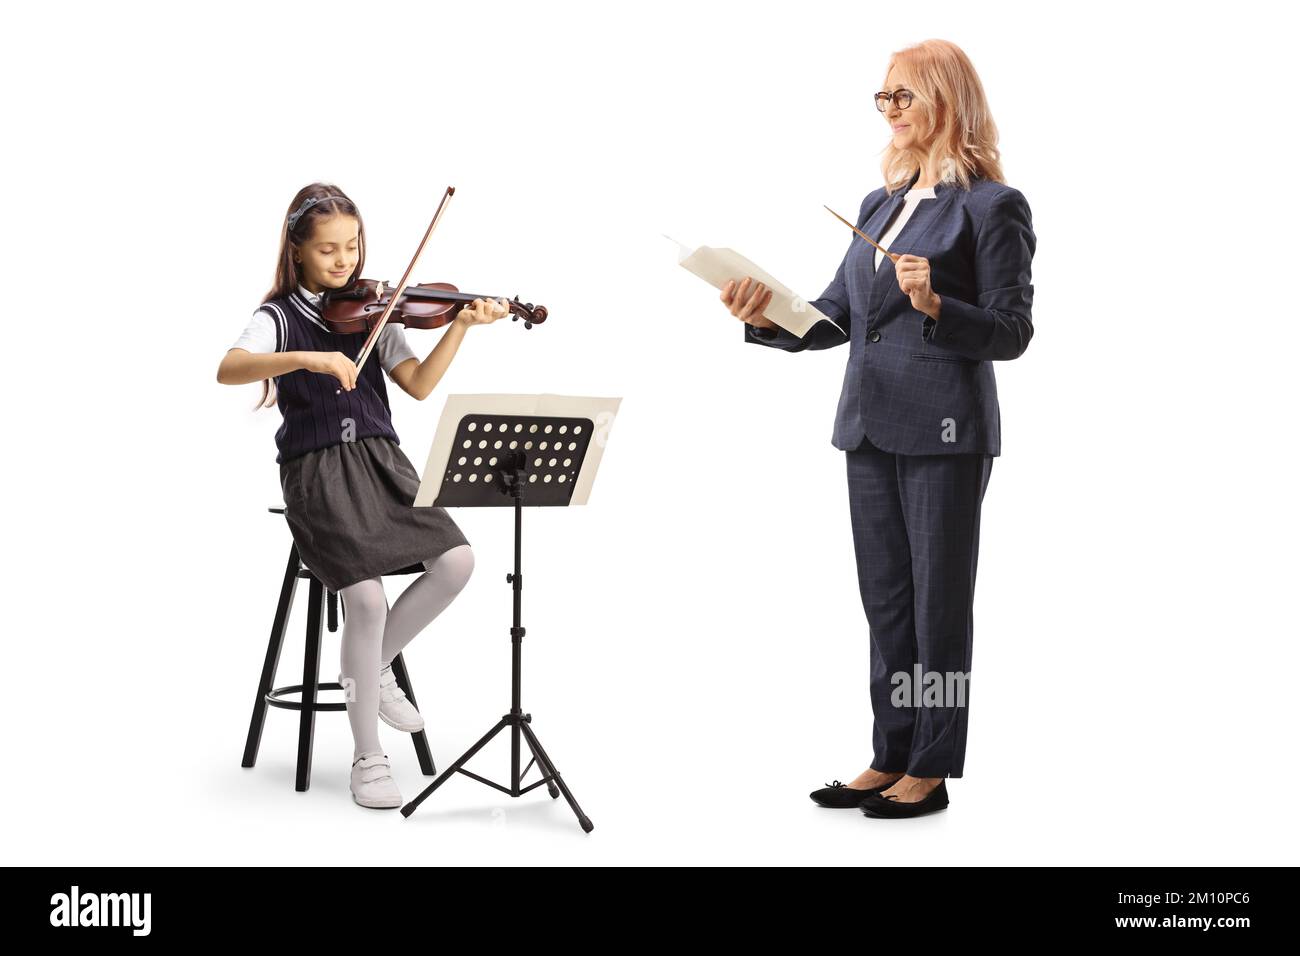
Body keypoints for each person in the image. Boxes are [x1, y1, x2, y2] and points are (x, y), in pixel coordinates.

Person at [722, 40, 1036, 818]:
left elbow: (1012, 330)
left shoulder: (992, 206)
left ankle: (930, 767)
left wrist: (938, 308)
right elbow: (833, 316)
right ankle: (890, 751)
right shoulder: (878, 204)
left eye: (905, 96)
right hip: (867, 426)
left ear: (946, 103)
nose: (890, 110)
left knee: (938, 606)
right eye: (883, 97)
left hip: (944, 431)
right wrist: (766, 316)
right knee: (888, 601)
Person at [217, 184, 510, 809]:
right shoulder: (277, 317)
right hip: (316, 473)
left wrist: (459, 327)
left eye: (351, 246)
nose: (344, 261)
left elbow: (420, 386)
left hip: (383, 462)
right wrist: (311, 360)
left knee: (457, 561)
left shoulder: (377, 310)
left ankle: (374, 665)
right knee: (367, 598)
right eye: (327, 250)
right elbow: (230, 366)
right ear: (296, 253)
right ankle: (367, 755)